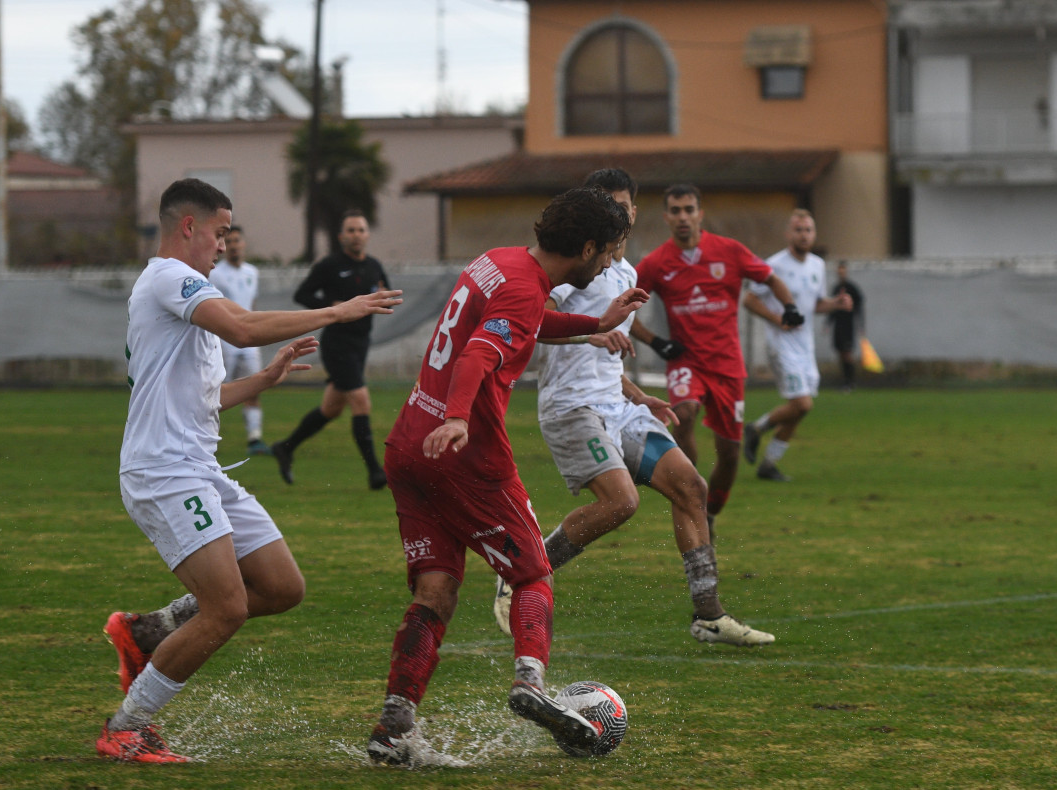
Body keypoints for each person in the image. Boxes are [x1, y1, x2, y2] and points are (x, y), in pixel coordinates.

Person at [98, 178, 402, 763]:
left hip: (197, 468)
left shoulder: (184, 290)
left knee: (282, 586)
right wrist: (337, 311)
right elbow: (241, 327)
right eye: (219, 232)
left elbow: (204, 397)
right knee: (227, 607)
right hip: (164, 472)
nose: (224, 244)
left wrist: (264, 379)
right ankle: (127, 727)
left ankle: (147, 631)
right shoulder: (169, 276)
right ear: (189, 226)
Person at [366, 187, 648, 764]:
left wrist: (594, 323)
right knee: (533, 574)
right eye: (607, 252)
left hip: (409, 442)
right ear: (587, 247)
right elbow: (478, 353)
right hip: (465, 455)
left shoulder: (498, 261)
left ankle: (393, 730)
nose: (608, 265)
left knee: (435, 590)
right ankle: (529, 682)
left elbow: (526, 321)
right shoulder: (523, 289)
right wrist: (458, 417)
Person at [492, 168, 774, 647]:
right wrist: (589, 332)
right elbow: (532, 319)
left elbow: (604, 355)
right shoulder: (573, 267)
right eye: (603, 205)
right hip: (572, 407)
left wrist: (636, 393)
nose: (613, 215)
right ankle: (520, 571)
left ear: (634, 213)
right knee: (622, 502)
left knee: (691, 486)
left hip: (618, 406)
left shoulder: (626, 273)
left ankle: (708, 616)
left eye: (620, 206)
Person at [630, 183, 803, 534]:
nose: (683, 217)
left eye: (688, 209)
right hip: (686, 362)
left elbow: (771, 279)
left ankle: (710, 513)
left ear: (700, 214)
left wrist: (790, 306)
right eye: (675, 211)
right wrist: (657, 343)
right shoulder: (656, 262)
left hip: (727, 367)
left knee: (729, 454)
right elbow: (624, 310)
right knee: (683, 413)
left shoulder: (729, 251)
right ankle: (690, 492)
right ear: (666, 217)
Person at [273, 210, 393, 490]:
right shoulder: (330, 265)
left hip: (360, 344)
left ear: (367, 235)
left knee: (332, 408)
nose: (356, 235)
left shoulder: (374, 266)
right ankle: (375, 472)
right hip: (337, 344)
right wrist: (332, 307)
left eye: (360, 230)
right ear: (341, 236)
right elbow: (302, 294)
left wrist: (385, 299)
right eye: (350, 230)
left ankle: (285, 447)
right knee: (360, 400)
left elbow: (384, 295)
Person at [742, 210, 854, 482]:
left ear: (814, 235)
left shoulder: (817, 265)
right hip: (781, 344)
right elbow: (749, 300)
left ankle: (769, 463)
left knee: (799, 409)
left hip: (805, 347)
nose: (804, 235)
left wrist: (836, 304)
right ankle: (757, 428)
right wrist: (777, 319)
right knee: (802, 404)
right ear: (788, 234)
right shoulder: (774, 265)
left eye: (808, 230)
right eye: (798, 230)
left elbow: (815, 304)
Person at [208, 225, 272, 456]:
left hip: (249, 343)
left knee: (253, 387)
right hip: (224, 342)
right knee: (215, 392)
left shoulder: (252, 272)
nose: (234, 245)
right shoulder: (216, 273)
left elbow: (251, 305)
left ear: (244, 244)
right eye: (230, 241)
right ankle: (206, 439)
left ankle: (255, 438)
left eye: (237, 241)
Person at [828, 261, 865, 391]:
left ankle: (851, 381)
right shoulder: (836, 288)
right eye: (839, 271)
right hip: (838, 326)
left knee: (847, 353)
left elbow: (859, 306)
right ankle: (845, 381)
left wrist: (861, 325)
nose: (841, 274)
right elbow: (831, 308)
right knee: (840, 353)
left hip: (848, 326)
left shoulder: (852, 288)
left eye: (843, 271)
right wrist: (828, 323)